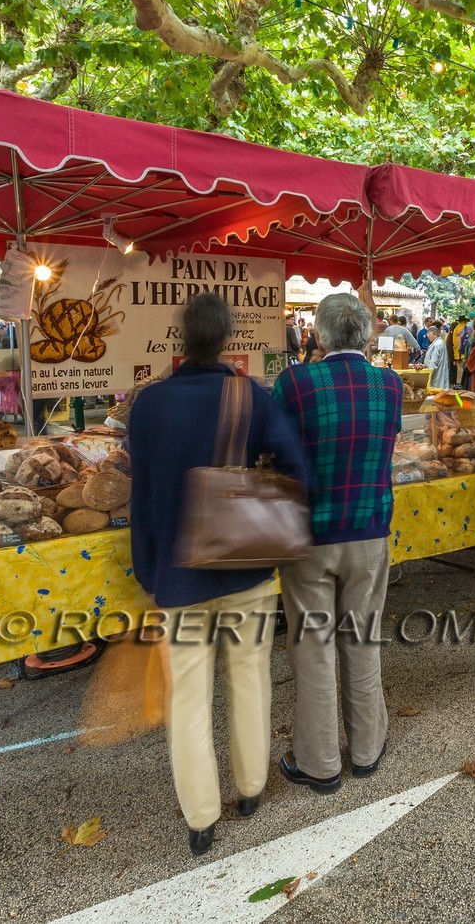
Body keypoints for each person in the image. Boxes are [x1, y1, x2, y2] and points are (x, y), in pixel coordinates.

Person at [127, 294, 309, 857]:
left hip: (175, 574)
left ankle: (201, 818)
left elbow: (141, 492)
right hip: (246, 566)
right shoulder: (250, 396)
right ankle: (252, 788)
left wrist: (148, 570)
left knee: (188, 695)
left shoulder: (148, 403)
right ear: (230, 338)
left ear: (180, 339)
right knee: (251, 675)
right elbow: (296, 469)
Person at [271, 293, 402, 795]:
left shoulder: (297, 382)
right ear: (367, 335)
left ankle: (320, 763)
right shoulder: (389, 383)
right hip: (368, 531)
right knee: (363, 641)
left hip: (310, 536)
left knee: (314, 648)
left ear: (319, 336)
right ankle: (367, 750)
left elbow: (273, 447)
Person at [423, 319, 452, 389]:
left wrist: (426, 368)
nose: (428, 336)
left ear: (435, 335)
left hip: (436, 374)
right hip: (440, 372)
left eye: (429, 334)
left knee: (436, 391)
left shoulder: (436, 345)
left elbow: (433, 362)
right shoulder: (440, 342)